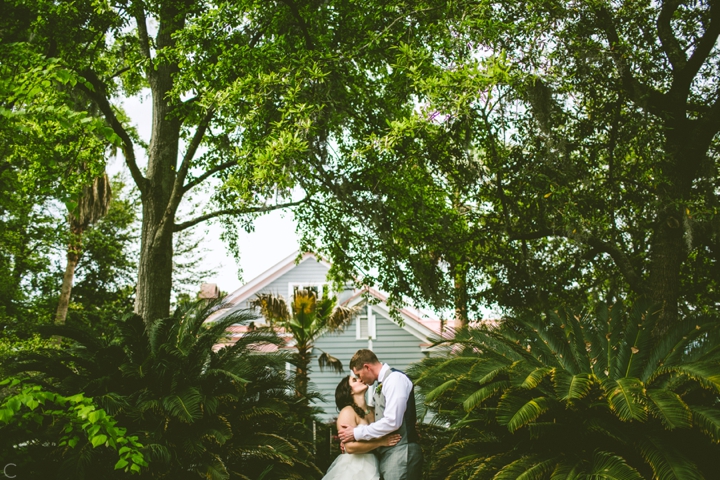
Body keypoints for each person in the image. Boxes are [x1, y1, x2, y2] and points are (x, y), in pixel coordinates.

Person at [337, 349, 423, 480]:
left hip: (401, 451)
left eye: (359, 375)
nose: (361, 379)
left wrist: (355, 433)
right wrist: (351, 441)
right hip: (388, 456)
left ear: (367, 367)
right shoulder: (380, 386)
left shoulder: (395, 379)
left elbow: (392, 421)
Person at [322, 375, 401, 480]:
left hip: (376, 462)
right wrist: (381, 442)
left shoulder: (374, 410)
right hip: (353, 467)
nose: (360, 379)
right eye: (354, 380)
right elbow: (349, 448)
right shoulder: (347, 412)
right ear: (350, 391)